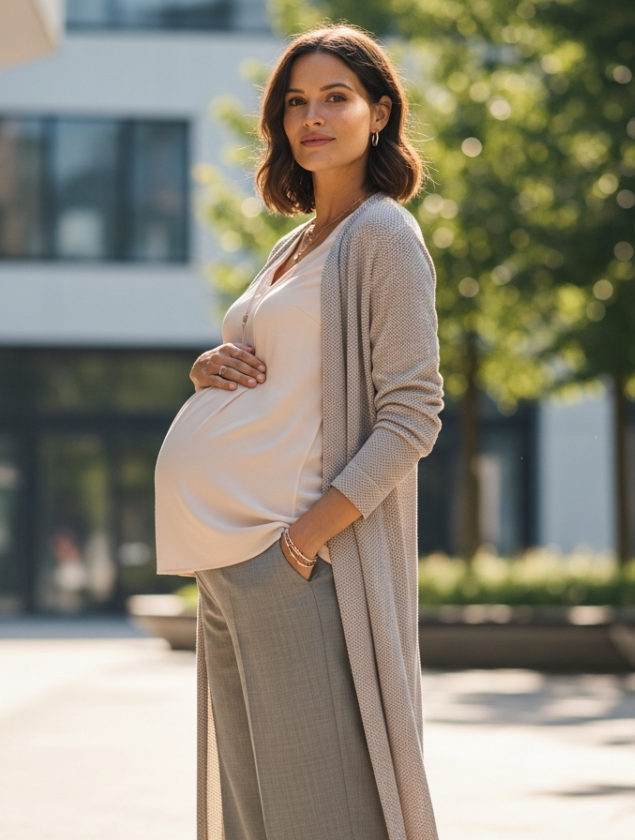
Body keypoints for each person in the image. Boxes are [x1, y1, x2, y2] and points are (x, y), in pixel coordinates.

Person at [154, 24, 443, 840]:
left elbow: (413, 413)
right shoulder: (294, 245)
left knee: (319, 814)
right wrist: (210, 369)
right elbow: (279, 372)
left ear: (379, 114)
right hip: (230, 562)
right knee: (254, 815)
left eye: (336, 99)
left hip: (293, 564)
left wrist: (302, 544)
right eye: (296, 103)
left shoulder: (382, 235)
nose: (312, 117)